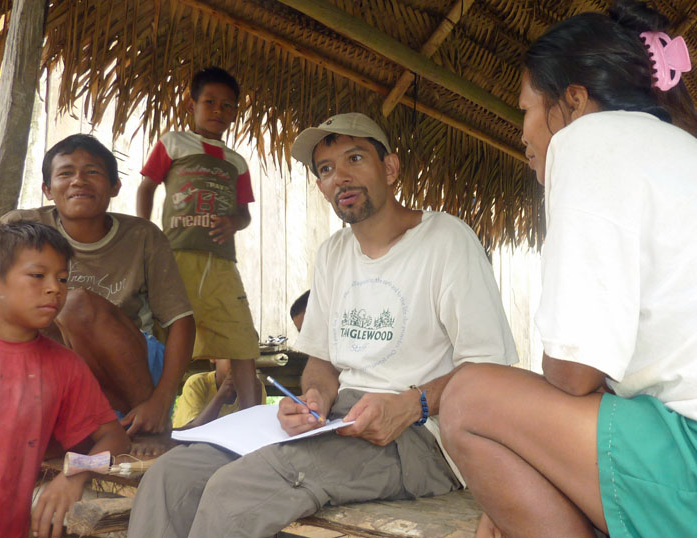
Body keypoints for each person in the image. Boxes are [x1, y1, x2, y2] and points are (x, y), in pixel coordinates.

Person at [128, 112, 518, 537]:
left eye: (355, 159)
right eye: (327, 169)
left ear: (390, 168)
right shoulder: (334, 253)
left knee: (237, 491)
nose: (341, 178)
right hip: (341, 419)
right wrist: (314, 398)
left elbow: (489, 373)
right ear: (320, 186)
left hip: (423, 436)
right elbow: (322, 363)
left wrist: (411, 404)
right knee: (170, 476)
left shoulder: (446, 240)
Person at [438, 2, 697, 537]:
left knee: (467, 398)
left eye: (527, 110)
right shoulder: (681, 149)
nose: (523, 133)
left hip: (687, 461)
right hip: (675, 446)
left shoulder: (589, 139)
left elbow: (573, 373)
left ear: (574, 100)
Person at [0, 221, 129, 538]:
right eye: (38, 276)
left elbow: (115, 438)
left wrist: (75, 472)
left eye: (63, 279)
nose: (55, 288)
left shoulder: (66, 367)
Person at [1, 134, 196, 443]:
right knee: (37, 313)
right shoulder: (22, 229)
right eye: (65, 173)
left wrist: (160, 401)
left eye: (92, 171)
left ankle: (145, 427)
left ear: (115, 187)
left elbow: (181, 321)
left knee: (74, 305)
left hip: (130, 367)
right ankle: (86, 428)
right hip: (61, 365)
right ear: (47, 190)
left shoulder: (143, 237)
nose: (79, 180)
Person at [136, 66, 261, 411]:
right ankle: (154, 418)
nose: (219, 111)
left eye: (228, 105)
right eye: (210, 102)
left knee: (241, 342)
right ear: (191, 104)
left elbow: (245, 214)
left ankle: (252, 424)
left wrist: (233, 222)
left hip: (221, 264)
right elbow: (147, 186)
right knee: (163, 337)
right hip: (175, 258)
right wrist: (144, 233)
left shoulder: (237, 162)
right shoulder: (173, 142)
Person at [171, 359, 267, 429]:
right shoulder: (197, 383)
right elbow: (188, 432)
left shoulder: (256, 387)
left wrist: (252, 396)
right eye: (232, 355)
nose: (238, 363)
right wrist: (221, 395)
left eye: (245, 358)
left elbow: (252, 430)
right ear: (213, 357)